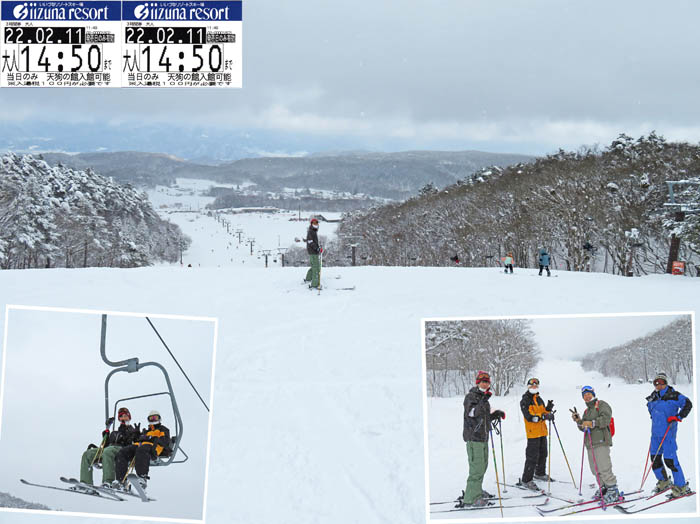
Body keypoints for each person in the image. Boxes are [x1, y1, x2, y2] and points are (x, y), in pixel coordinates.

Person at [457, 371, 506, 508]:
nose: (485, 383)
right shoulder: (471, 397)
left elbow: (483, 417)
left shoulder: (483, 398)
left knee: (482, 466)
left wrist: (496, 415)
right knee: (476, 469)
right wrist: (483, 402)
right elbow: (471, 413)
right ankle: (471, 499)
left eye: (487, 381)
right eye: (482, 381)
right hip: (474, 438)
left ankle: (476, 490)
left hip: (483, 438)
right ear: (477, 382)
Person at [646, 372, 693, 498]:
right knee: (654, 460)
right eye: (656, 383)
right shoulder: (653, 397)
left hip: (668, 434)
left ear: (665, 383)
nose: (658, 385)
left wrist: (678, 416)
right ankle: (664, 481)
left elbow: (688, 404)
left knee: (670, 460)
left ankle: (681, 486)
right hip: (655, 434)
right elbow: (651, 409)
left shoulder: (674, 395)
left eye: (661, 382)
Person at [571, 385, 619, 504]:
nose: (587, 397)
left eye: (589, 394)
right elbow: (584, 427)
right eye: (584, 395)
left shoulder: (601, 405)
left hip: (601, 441)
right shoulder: (587, 411)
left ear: (593, 394)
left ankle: (613, 490)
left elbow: (606, 419)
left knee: (604, 467)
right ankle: (603, 488)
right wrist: (578, 421)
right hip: (590, 443)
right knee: (595, 469)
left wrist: (592, 423)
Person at [77, 407, 139, 491]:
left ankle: (108, 482)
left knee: (107, 452)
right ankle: (86, 482)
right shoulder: (114, 432)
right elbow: (106, 446)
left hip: (122, 450)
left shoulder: (132, 430)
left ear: (129, 417)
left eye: (125, 416)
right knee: (87, 454)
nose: (123, 418)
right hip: (109, 448)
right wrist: (106, 433)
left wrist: (135, 434)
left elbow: (134, 444)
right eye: (121, 416)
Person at [114, 410, 171, 490]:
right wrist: (137, 434)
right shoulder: (147, 431)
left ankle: (142, 477)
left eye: (155, 417)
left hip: (153, 448)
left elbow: (165, 441)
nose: (154, 419)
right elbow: (139, 440)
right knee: (122, 452)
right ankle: (121, 481)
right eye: (151, 418)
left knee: (142, 450)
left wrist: (152, 438)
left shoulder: (163, 429)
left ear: (159, 418)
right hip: (140, 446)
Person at [517, 378, 555, 490]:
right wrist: (543, 416)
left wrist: (548, 410)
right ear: (528, 387)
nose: (534, 387)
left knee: (543, 453)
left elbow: (543, 413)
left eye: (536, 386)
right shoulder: (525, 400)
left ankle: (540, 473)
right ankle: (526, 480)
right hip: (533, 432)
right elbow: (529, 417)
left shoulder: (538, 399)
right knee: (532, 456)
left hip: (542, 431)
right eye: (532, 386)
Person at [304, 218, 322, 289]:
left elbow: (313, 242)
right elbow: (310, 242)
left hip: (313, 252)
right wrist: (316, 248)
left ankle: (308, 278)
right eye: (314, 223)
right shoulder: (311, 232)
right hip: (313, 252)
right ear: (311, 224)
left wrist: (318, 247)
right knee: (316, 268)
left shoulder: (313, 231)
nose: (315, 224)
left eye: (316, 223)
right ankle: (315, 284)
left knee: (314, 266)